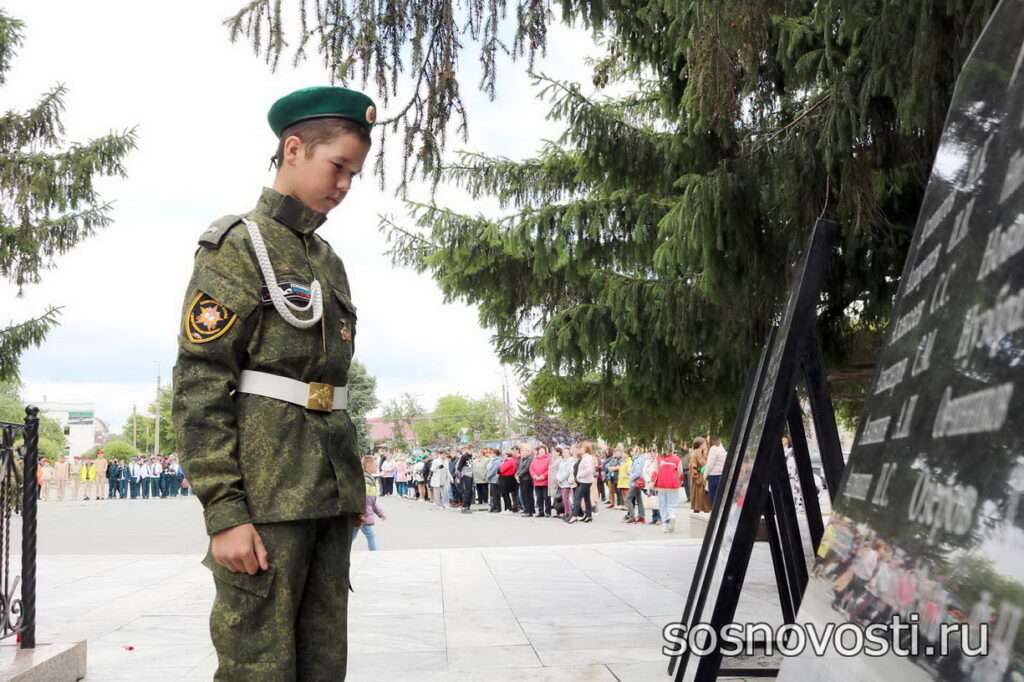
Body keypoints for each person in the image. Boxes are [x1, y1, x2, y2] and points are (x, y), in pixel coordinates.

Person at [171, 85, 377, 680]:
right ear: (293, 149)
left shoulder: (327, 259)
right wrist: (225, 511)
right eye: (337, 166)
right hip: (264, 502)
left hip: (325, 497)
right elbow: (202, 381)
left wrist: (349, 490)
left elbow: (326, 389)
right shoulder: (237, 245)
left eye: (354, 174)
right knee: (256, 666)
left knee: (322, 664)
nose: (343, 185)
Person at [353, 455, 386, 551]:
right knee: (370, 536)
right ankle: (374, 554)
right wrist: (361, 514)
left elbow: (372, 501)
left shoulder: (368, 478)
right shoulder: (366, 480)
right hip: (363, 515)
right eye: (375, 465)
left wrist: (380, 513)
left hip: (362, 515)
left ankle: (342, 552)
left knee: (353, 537)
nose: (376, 467)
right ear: (368, 465)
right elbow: (363, 499)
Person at [654, 450, 683, 533]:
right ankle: (672, 516)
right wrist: (680, 481)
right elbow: (680, 472)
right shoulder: (677, 459)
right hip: (673, 483)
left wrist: (652, 483)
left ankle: (665, 525)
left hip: (661, 484)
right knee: (672, 503)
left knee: (663, 505)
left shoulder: (658, 458)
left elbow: (655, 471)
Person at [573, 442, 596, 522]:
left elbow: (589, 470)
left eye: (581, 448)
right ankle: (588, 515)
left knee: (577, 498)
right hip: (585, 481)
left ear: (586, 449)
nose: (580, 449)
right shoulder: (586, 457)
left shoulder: (587, 458)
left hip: (585, 481)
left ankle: (574, 516)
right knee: (586, 498)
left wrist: (579, 475)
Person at [689, 438, 712, 513]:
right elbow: (693, 466)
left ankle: (702, 508)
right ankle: (697, 509)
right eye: (704, 443)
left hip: (703, 477)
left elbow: (705, 464)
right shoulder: (695, 453)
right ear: (700, 444)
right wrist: (697, 477)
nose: (705, 445)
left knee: (703, 495)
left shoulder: (702, 453)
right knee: (698, 495)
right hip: (698, 477)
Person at [556, 447, 577, 524]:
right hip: (561, 482)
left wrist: (560, 479)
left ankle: (568, 513)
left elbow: (568, 472)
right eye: (564, 452)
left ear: (569, 453)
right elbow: (559, 471)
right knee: (564, 499)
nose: (565, 454)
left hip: (567, 482)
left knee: (566, 499)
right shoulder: (562, 461)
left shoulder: (571, 461)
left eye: (567, 452)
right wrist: (557, 478)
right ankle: (566, 512)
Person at [529, 446, 551, 517]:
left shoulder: (548, 459)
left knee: (546, 497)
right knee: (539, 498)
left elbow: (549, 469)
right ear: (538, 451)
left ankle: (548, 512)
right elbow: (531, 468)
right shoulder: (535, 459)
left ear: (545, 451)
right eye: (540, 451)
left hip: (545, 482)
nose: (542, 452)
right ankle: (541, 512)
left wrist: (543, 476)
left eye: (543, 451)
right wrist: (534, 476)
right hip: (536, 481)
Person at [626, 448, 647, 524]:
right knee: (639, 498)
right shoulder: (637, 459)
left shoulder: (638, 460)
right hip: (636, 482)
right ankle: (641, 516)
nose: (631, 452)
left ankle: (632, 517)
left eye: (633, 451)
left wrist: (630, 477)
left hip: (635, 482)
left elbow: (638, 472)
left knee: (628, 498)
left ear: (637, 452)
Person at [706, 437, 727, 505]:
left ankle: (714, 511)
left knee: (713, 496)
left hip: (713, 475)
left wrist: (705, 474)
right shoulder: (723, 449)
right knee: (719, 496)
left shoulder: (713, 449)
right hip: (721, 474)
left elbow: (710, 464)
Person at [516, 447, 535, 517]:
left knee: (527, 495)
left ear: (528, 452)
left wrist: (519, 475)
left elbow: (526, 468)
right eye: (522, 452)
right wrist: (517, 474)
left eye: (524, 452)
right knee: (524, 495)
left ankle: (529, 511)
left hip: (527, 479)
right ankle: (527, 509)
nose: (522, 453)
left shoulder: (530, 459)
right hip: (522, 479)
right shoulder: (522, 459)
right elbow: (519, 468)